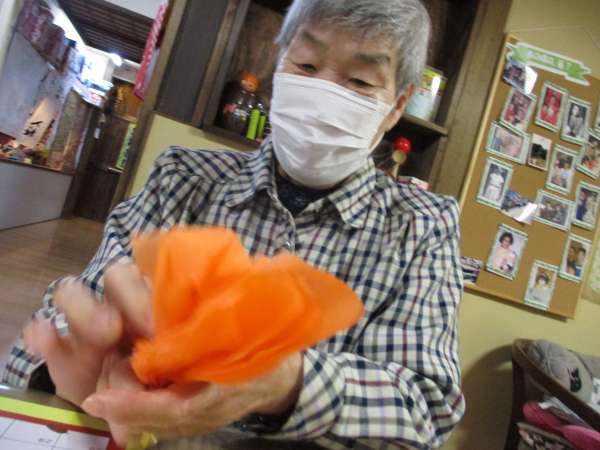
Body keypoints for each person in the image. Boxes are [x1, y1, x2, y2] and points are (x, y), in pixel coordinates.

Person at [2, 1, 465, 449]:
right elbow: (62, 325)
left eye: (360, 80)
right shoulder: (183, 178)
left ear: (397, 105)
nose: (325, 94)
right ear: (279, 65)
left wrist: (287, 382)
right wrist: (68, 366)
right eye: (306, 65)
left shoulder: (423, 225)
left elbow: (425, 407)